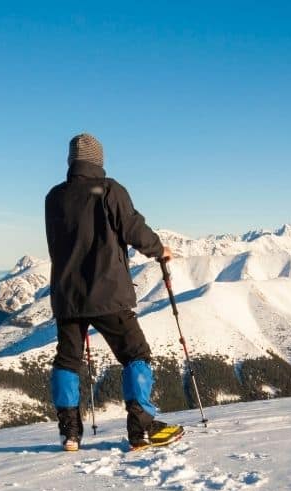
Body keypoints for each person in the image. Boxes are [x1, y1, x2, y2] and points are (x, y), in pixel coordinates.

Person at [45, 132, 182, 452]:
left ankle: (70, 432)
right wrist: (159, 250)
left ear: (70, 161)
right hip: (107, 293)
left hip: (67, 295)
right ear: (99, 161)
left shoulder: (53, 197)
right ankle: (141, 427)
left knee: (67, 361)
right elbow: (133, 228)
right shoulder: (109, 190)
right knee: (135, 353)